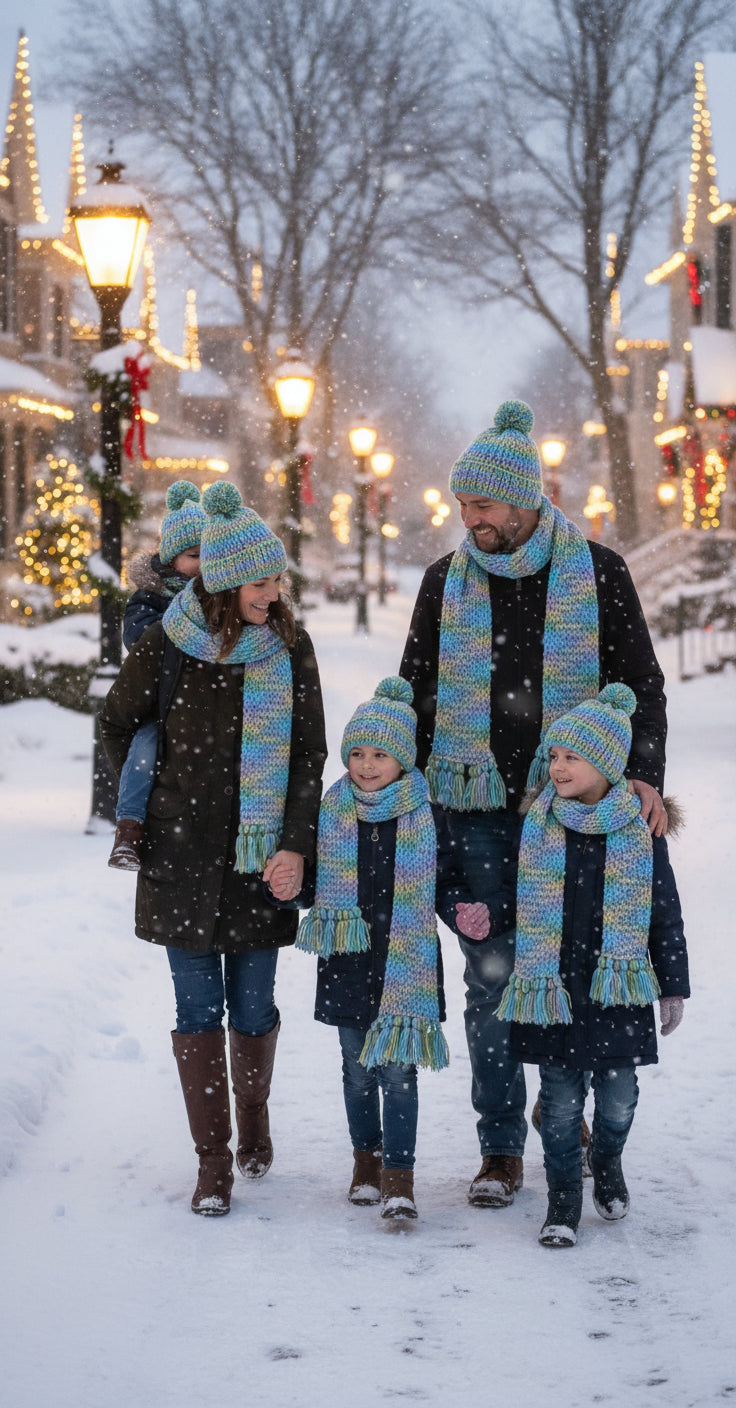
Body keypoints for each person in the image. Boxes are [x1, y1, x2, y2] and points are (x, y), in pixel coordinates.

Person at [400, 399, 668, 1209]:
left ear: (522, 500)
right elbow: (414, 695)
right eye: (461, 505)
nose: (467, 519)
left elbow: (640, 685)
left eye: (481, 505)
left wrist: (646, 774)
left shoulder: (598, 572)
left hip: (575, 813)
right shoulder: (446, 583)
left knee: (567, 974)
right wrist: (402, 798)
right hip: (474, 810)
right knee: (491, 977)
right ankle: (501, 1145)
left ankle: (567, 1117)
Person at [100, 482, 327, 1216]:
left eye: (278, 578)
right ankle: (212, 1163)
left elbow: (306, 755)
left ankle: (253, 1120)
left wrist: (294, 843)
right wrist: (156, 800)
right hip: (180, 858)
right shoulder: (166, 641)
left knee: (253, 1007)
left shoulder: (290, 645)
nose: (276, 591)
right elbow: (118, 721)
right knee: (195, 1008)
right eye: (264, 581)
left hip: (259, 862)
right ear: (228, 584)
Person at [494, 683, 689, 1247]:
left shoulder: (641, 834)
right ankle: (562, 1200)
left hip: (615, 992)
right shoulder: (539, 826)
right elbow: (516, 893)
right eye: (553, 755)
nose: (556, 767)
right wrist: (483, 912)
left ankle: (606, 1161)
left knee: (620, 1097)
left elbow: (663, 914)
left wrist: (672, 986)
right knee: (557, 1104)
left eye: (570, 757)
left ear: (605, 764)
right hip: (551, 991)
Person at [296, 677, 448, 1221]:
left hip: (405, 962)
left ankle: (399, 1177)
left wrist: (471, 913)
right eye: (356, 752)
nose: (365, 764)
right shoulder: (333, 812)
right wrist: (294, 887)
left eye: (379, 753)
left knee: (399, 1074)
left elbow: (445, 882)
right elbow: (314, 881)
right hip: (349, 962)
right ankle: (367, 1160)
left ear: (402, 759)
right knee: (357, 1070)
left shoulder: (427, 816)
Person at [108, 479, 206, 871]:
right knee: (145, 749)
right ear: (171, 559)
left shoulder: (220, 594)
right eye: (193, 556)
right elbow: (138, 635)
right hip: (161, 703)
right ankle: (128, 829)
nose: (202, 564)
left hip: (205, 701)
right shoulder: (151, 595)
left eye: (209, 555)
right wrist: (181, 622)